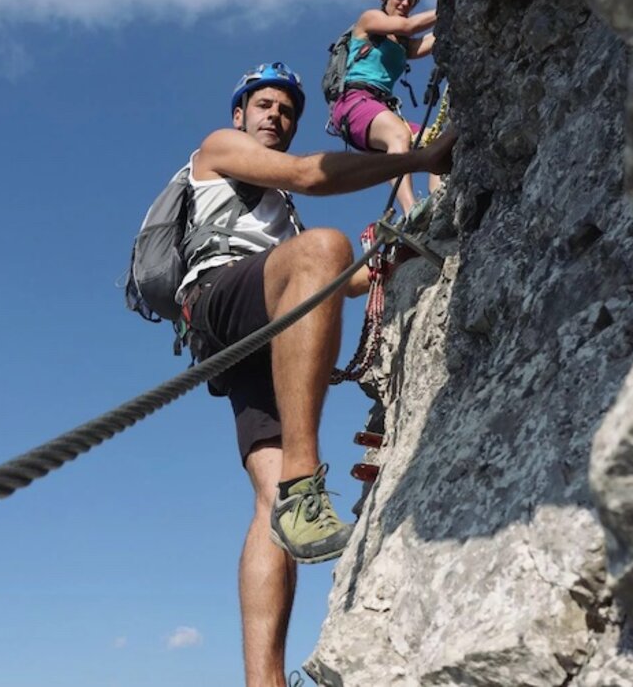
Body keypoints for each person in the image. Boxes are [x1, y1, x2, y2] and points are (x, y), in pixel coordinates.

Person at [178, 61, 454, 687]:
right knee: (325, 247)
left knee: (267, 501)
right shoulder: (218, 149)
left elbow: (333, 285)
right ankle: (308, 478)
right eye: (264, 105)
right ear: (239, 115)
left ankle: (263, 680)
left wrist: (386, 259)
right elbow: (309, 174)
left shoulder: (283, 218)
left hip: (252, 324)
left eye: (285, 110)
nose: (275, 115)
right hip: (224, 293)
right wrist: (421, 158)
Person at [328, 0, 439, 217]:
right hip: (354, 101)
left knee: (435, 141)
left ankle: (438, 199)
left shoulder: (402, 46)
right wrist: (447, 5)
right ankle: (412, 211)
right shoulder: (369, 20)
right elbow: (409, 26)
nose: (405, 2)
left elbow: (433, 38)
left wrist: (456, 14)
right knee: (398, 134)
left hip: (378, 108)